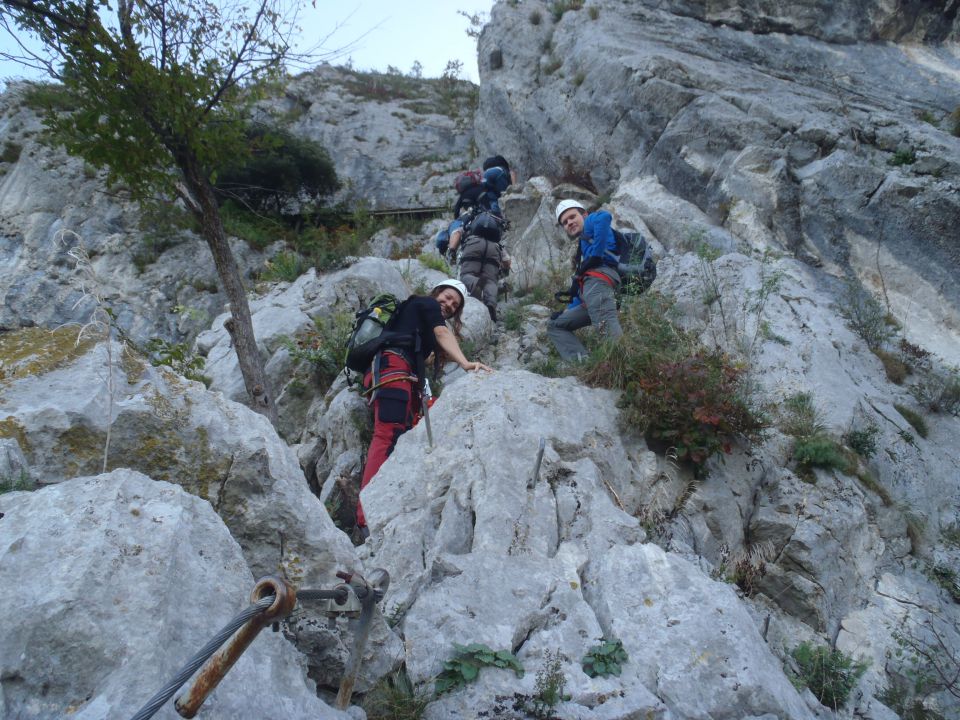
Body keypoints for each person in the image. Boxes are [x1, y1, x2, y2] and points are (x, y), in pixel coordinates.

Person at [357, 278, 491, 534]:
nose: (449, 304)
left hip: (396, 374)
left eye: (455, 303)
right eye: (447, 296)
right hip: (393, 370)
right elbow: (442, 332)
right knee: (387, 436)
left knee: (400, 436)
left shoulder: (418, 321)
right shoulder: (426, 303)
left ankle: (379, 508)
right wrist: (466, 363)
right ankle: (365, 518)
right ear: (437, 292)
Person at [547, 199, 623, 361]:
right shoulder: (582, 246)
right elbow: (583, 283)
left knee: (607, 332)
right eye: (565, 222)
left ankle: (622, 368)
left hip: (599, 283)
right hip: (590, 292)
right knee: (556, 325)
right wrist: (566, 311)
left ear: (584, 214)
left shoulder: (591, 221)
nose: (569, 223)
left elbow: (604, 217)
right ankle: (583, 364)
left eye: (572, 217)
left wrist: (596, 254)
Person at [446, 155, 516, 256]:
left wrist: (457, 219)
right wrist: (502, 195)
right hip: (498, 176)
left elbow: (457, 208)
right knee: (494, 202)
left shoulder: (464, 194)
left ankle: (452, 251)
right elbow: (492, 189)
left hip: (472, 213)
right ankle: (501, 219)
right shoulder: (501, 170)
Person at [456, 212, 511, 322]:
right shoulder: (497, 244)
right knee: (491, 281)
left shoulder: (470, 231)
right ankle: (490, 304)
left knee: (467, 275)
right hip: (493, 249)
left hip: (473, 244)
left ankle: (475, 283)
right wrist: (505, 271)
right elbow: (507, 261)